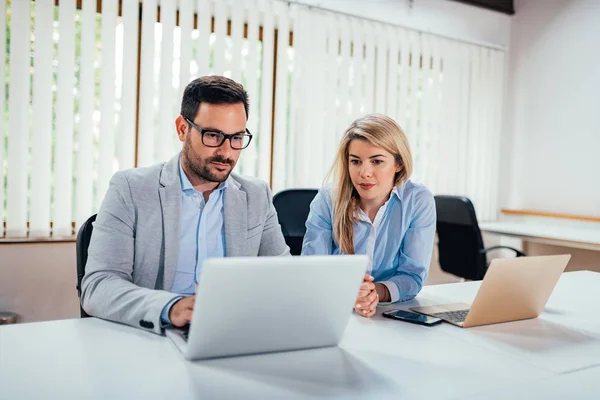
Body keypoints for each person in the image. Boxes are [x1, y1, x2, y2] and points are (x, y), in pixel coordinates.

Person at [81, 76, 290, 334]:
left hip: (232, 333)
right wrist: (172, 307)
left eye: (237, 138)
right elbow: (99, 285)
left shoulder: (255, 195)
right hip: (154, 334)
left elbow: (283, 277)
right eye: (213, 136)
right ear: (182, 129)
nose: (226, 152)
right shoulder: (131, 189)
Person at [302, 114, 436, 318]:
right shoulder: (328, 200)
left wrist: (376, 293)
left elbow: (412, 275)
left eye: (377, 161)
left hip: (392, 314)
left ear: (398, 163)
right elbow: (313, 270)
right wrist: (349, 293)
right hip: (333, 311)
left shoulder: (417, 201)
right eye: (355, 161)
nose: (364, 172)